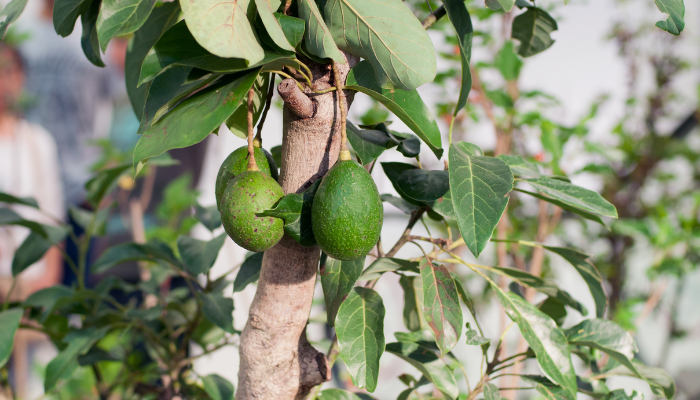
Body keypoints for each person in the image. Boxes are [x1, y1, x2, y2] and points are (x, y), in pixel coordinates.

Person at [0, 42, 64, 296]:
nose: (5, 81)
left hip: (30, 279)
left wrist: (49, 279)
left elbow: (52, 214)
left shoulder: (38, 140)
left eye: (10, 71)